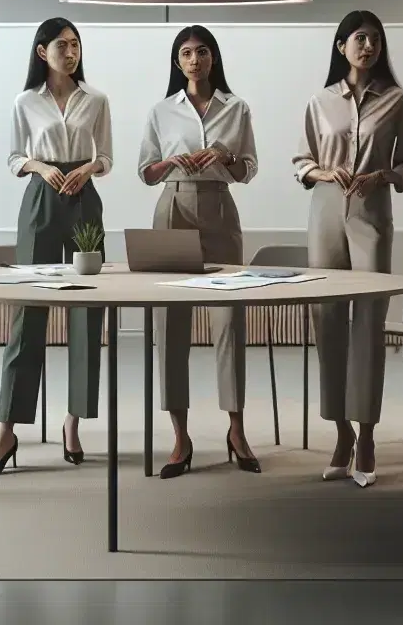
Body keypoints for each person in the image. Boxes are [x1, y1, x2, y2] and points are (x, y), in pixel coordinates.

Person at [293, 11, 403, 489]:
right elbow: (300, 161)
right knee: (326, 319)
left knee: (368, 322)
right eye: (359, 39)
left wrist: (383, 176)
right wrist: (323, 172)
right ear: (340, 45)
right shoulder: (320, 101)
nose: (367, 46)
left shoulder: (396, 101)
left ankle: (367, 434)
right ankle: (341, 434)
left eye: (374, 39)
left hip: (371, 210)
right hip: (326, 211)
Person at [0, 18, 113, 478]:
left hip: (84, 199)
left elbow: (108, 157)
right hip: (40, 198)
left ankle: (72, 423)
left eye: (76, 44)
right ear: (43, 52)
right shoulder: (26, 101)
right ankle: (8, 430)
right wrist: (40, 166)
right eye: (62, 45)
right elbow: (14, 157)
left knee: (86, 315)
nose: (71, 51)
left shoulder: (95, 99)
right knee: (27, 315)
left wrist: (89, 168)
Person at [137, 25, 261, 478]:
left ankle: (236, 429)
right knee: (170, 322)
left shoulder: (237, 107)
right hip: (173, 206)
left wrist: (223, 158)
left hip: (220, 209)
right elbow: (145, 173)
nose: (194, 59)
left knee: (230, 320)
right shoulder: (161, 111)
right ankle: (180, 437)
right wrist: (172, 161)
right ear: (177, 62)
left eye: (202, 52)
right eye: (186, 53)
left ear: (213, 58)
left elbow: (248, 170)